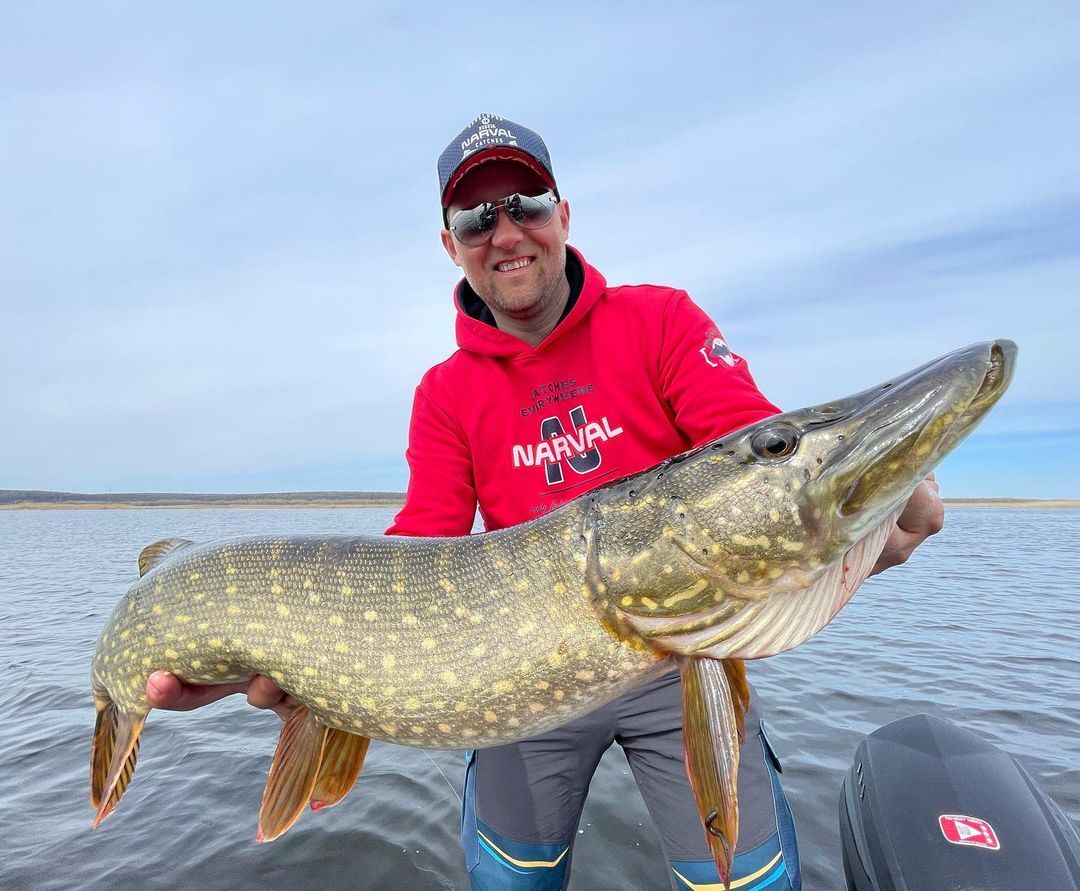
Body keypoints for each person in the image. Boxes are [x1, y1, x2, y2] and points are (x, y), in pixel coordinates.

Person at [147, 114, 944, 890]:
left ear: (562, 213)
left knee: (742, 879)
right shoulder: (445, 392)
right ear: (450, 244)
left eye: (525, 204)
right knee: (512, 878)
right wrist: (316, 656)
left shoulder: (659, 320)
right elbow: (419, 549)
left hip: (685, 656)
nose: (505, 232)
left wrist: (848, 525)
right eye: (474, 217)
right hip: (520, 680)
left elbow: (754, 455)